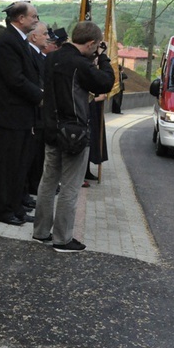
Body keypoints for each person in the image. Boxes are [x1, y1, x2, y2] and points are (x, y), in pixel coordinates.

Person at [33, 21, 115, 253]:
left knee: (48, 182)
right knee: (70, 186)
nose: (96, 49)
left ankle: (40, 232)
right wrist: (104, 58)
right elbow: (105, 83)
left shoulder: (51, 59)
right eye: (95, 46)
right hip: (74, 133)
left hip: (51, 129)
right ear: (90, 43)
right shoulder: (81, 64)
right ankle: (62, 239)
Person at [0, 0, 42, 225]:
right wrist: (40, 95)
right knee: (8, 166)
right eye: (33, 17)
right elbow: (15, 79)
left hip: (22, 115)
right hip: (10, 114)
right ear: (20, 19)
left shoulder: (19, 40)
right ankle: (2, 210)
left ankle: (16, 206)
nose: (36, 20)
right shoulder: (7, 41)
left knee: (20, 165)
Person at [24, 21, 49, 206]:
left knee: (36, 155)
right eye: (45, 34)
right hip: (32, 111)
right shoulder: (30, 53)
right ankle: (28, 189)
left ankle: (31, 189)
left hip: (40, 112)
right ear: (34, 36)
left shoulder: (39, 55)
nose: (48, 37)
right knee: (28, 158)